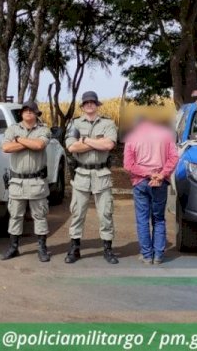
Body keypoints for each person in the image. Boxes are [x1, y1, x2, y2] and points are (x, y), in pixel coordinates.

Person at [64, 91, 119, 264]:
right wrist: (96, 143)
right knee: (78, 212)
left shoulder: (108, 123)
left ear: (97, 104)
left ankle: (108, 249)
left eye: (92, 102)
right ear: (82, 105)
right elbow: (72, 147)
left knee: (105, 213)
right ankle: (74, 248)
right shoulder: (74, 123)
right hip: (81, 174)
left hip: (102, 174)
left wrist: (85, 140)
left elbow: (109, 144)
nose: (89, 105)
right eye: (86, 102)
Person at [123, 115, 179, 265]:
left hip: (140, 182)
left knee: (142, 220)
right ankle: (159, 255)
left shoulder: (132, 136)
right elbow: (174, 157)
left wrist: (148, 174)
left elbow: (128, 165)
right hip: (159, 182)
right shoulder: (165, 135)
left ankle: (147, 255)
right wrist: (161, 174)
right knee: (159, 218)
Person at [0, 101, 52, 262]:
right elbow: (6, 148)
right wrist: (27, 142)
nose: (28, 113)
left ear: (37, 114)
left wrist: (18, 140)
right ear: (21, 113)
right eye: (25, 110)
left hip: (37, 181)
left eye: (32, 111)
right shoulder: (12, 129)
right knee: (15, 215)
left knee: (40, 215)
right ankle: (13, 247)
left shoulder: (44, 129)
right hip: (17, 181)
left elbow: (39, 145)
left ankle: (42, 248)